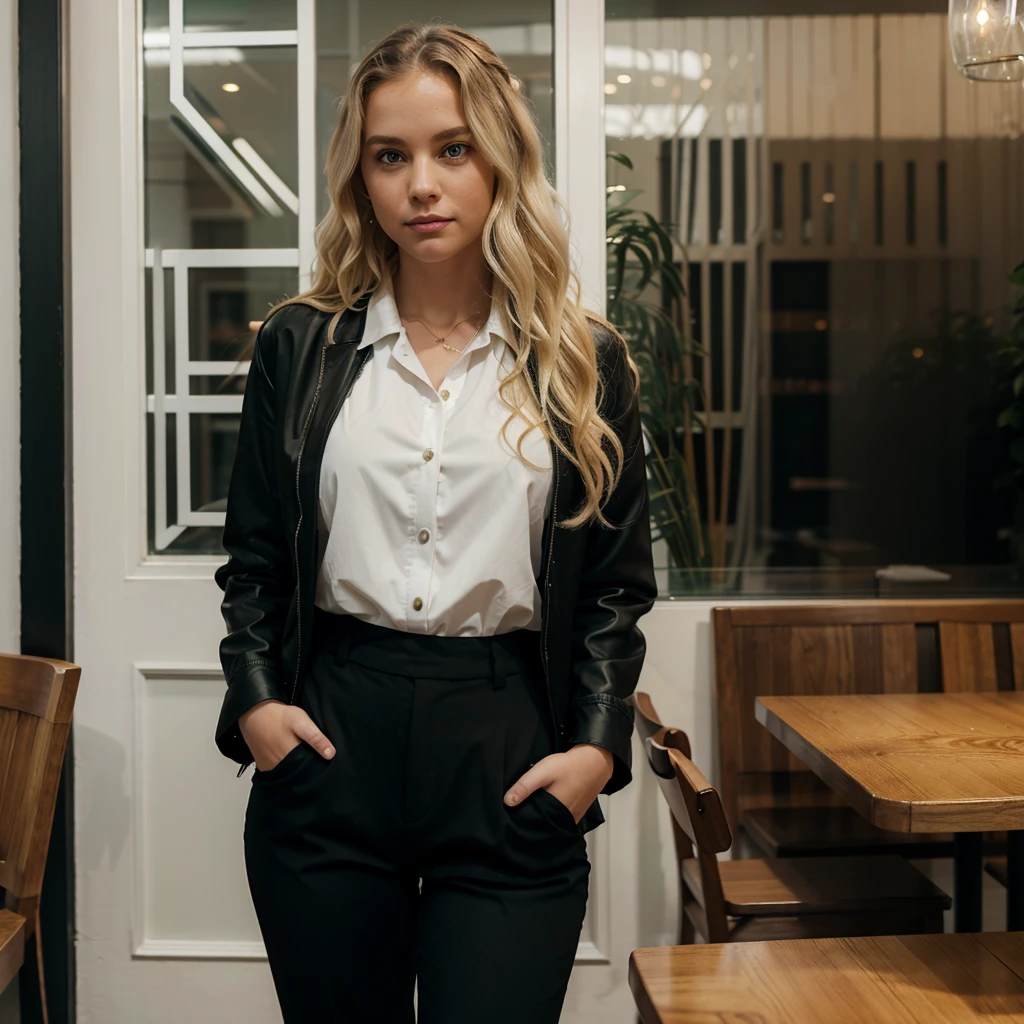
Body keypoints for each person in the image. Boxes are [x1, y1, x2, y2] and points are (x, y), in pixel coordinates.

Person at [212, 21, 656, 1024]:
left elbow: (617, 588)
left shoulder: (584, 361)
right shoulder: (298, 345)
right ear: (360, 178)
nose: (422, 183)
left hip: (503, 741)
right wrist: (256, 703)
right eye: (390, 155)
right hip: (331, 743)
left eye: (452, 148)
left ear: (499, 159)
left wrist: (593, 749)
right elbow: (252, 563)